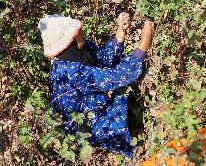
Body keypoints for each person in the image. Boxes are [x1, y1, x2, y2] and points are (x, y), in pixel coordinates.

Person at [37, 13, 153, 158]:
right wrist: (144, 44)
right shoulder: (71, 72)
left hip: (93, 103)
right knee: (111, 119)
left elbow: (102, 58)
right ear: (70, 41)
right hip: (82, 124)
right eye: (78, 32)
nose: (82, 32)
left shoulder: (78, 50)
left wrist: (121, 30)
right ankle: (129, 150)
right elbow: (117, 76)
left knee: (119, 92)